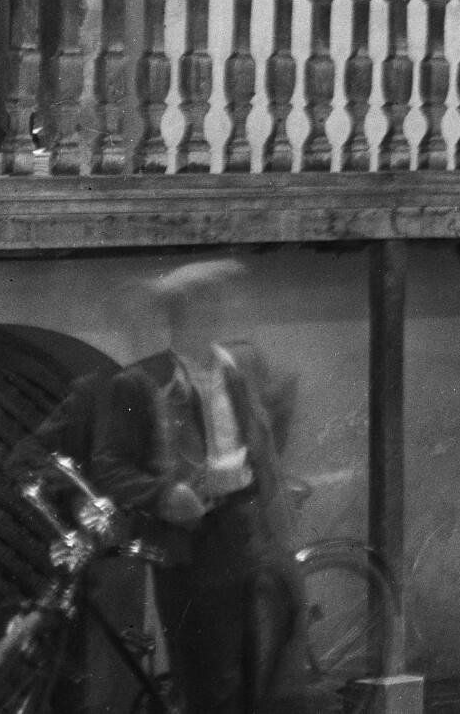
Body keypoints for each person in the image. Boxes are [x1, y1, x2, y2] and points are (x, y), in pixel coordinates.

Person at [26, 258, 301, 712]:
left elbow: (268, 424)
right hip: (192, 543)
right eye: (197, 311)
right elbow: (110, 466)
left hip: (248, 531)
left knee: (258, 667)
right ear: (177, 318)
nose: (210, 318)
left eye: (215, 308)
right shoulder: (141, 383)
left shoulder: (240, 366)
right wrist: (164, 495)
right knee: (208, 682)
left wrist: (265, 483)